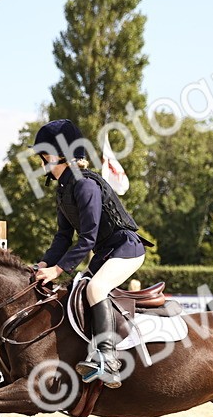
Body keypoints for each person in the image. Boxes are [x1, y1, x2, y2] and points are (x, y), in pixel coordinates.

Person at [31, 118, 148, 388]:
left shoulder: (85, 185)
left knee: (95, 288)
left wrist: (58, 269)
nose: (40, 160)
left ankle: (108, 359)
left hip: (126, 247)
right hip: (106, 251)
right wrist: (45, 263)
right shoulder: (64, 190)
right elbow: (63, 236)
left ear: (57, 155)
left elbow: (88, 237)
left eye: (42, 154)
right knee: (75, 290)